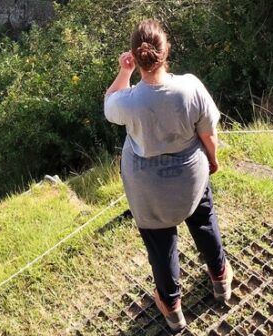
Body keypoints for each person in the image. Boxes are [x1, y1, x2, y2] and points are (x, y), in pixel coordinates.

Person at [104, 19, 232, 333]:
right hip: (190, 180)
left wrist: (124, 72)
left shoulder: (129, 101)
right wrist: (212, 162)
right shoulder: (190, 87)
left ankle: (172, 308)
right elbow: (209, 136)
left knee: (161, 247)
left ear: (135, 56)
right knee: (204, 221)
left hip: (148, 192)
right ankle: (220, 278)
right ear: (167, 50)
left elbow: (109, 103)